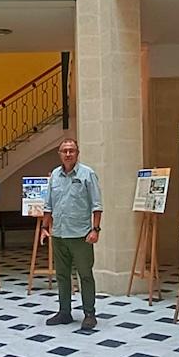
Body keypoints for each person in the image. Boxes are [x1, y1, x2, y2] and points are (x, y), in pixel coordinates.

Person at [41, 138, 102, 330]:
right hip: (59, 234)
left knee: (85, 275)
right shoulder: (55, 176)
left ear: (77, 153)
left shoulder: (87, 174)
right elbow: (48, 205)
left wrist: (95, 229)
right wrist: (44, 227)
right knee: (62, 275)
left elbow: (97, 205)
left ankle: (89, 313)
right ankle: (64, 312)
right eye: (64, 151)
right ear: (59, 154)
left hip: (81, 236)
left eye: (71, 150)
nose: (68, 154)